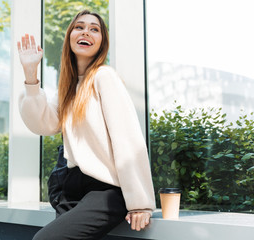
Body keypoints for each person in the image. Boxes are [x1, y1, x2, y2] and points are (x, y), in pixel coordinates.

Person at [17, 9, 156, 240]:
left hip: (105, 190)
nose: (86, 32)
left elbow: (127, 138)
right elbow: (44, 124)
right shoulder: (69, 88)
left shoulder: (104, 77)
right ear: (70, 35)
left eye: (95, 29)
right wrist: (31, 75)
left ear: (102, 42)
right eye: (79, 27)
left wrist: (139, 203)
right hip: (70, 188)